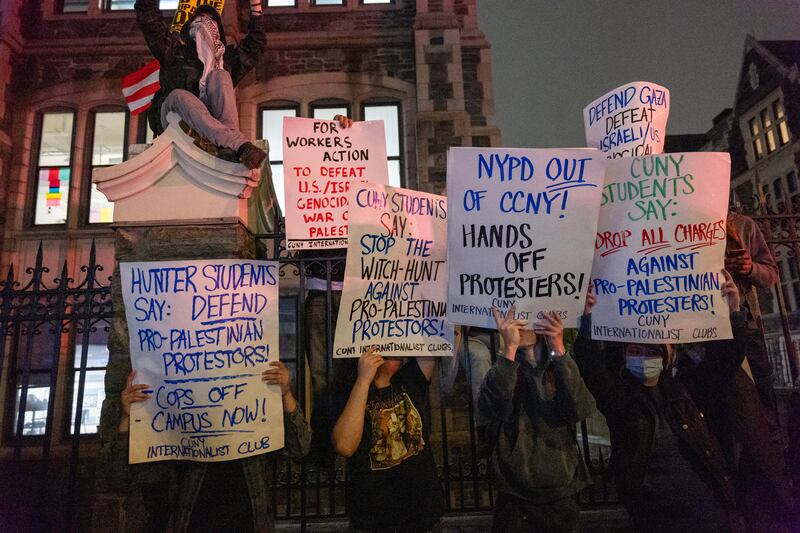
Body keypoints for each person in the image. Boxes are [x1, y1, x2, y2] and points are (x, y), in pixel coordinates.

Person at [574, 273, 743, 533]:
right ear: (624, 356)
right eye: (635, 351)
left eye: (652, 351)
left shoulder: (688, 389)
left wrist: (732, 313)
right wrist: (588, 320)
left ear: (667, 356)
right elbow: (592, 366)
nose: (643, 357)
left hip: (709, 513)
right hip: (656, 518)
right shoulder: (620, 401)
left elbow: (724, 362)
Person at [109, 361, 310, 532]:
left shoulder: (255, 424)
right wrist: (129, 416)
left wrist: (285, 395)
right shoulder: (179, 428)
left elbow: (300, 447)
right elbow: (121, 476)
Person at [478, 307, 595, 533]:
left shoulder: (559, 365)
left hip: (560, 492)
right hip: (514, 495)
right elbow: (493, 406)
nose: (519, 323)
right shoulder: (503, 366)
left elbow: (580, 408)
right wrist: (509, 349)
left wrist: (558, 349)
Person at [134, 0, 268, 169]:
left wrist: (256, 8)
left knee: (220, 76)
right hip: (172, 115)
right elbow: (150, 22)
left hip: (209, 123)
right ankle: (238, 144)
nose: (204, 25)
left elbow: (255, 45)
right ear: (188, 32)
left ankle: (227, 147)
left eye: (210, 22)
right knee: (179, 95)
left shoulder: (225, 62)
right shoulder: (175, 52)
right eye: (198, 21)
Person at [332, 348, 444, 532]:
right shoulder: (349, 393)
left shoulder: (407, 380)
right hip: (376, 521)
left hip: (423, 515)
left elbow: (435, 342)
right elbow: (345, 446)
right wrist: (363, 380)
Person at [725, 211, 780, 423]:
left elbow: (771, 273)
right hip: (702, 329)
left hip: (744, 324)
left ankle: (771, 444)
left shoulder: (742, 225)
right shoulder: (682, 225)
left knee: (760, 395)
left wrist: (750, 268)